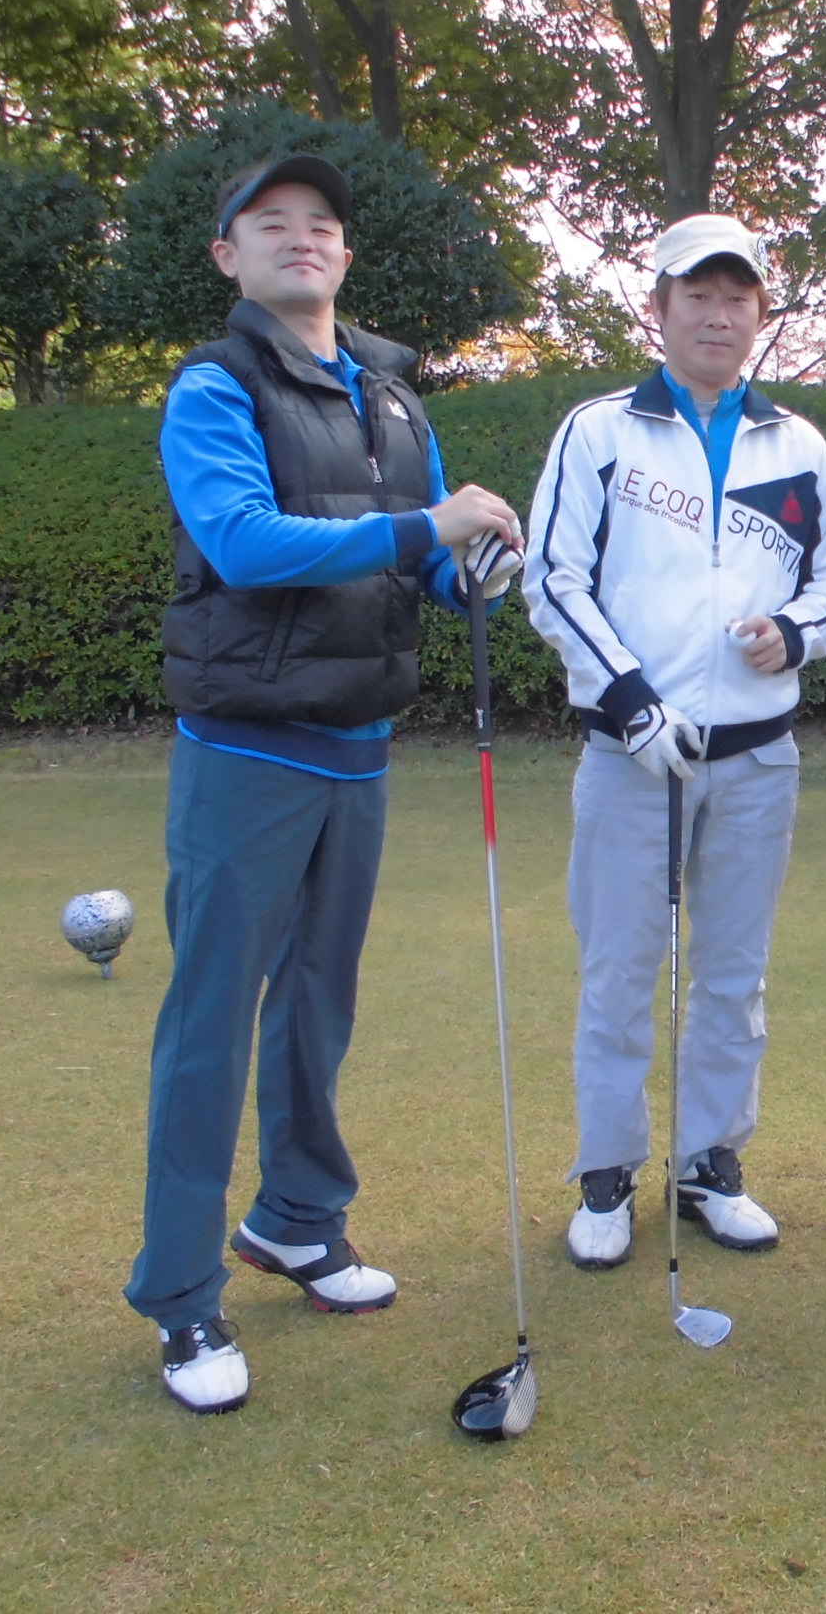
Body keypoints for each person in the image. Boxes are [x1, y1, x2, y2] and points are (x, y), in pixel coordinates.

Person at [127, 153, 523, 1414]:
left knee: (317, 1004)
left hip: (359, 745)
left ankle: (298, 1220)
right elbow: (243, 544)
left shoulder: (393, 394)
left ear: (345, 254)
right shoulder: (214, 385)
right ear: (228, 255)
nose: (301, 238)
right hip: (247, 750)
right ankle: (182, 1299)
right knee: (210, 1024)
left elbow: (430, 562)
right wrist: (427, 532)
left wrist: (474, 568)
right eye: (271, 224)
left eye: (321, 225)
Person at [524, 215, 826, 1270]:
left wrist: (795, 631)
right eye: (698, 295)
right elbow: (553, 581)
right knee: (621, 971)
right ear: (659, 308)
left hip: (758, 756)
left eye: (737, 297)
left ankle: (711, 1160)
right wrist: (629, 699)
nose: (719, 315)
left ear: (760, 312)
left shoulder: (796, 444)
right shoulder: (599, 432)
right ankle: (608, 1170)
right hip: (632, 753)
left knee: (732, 975)